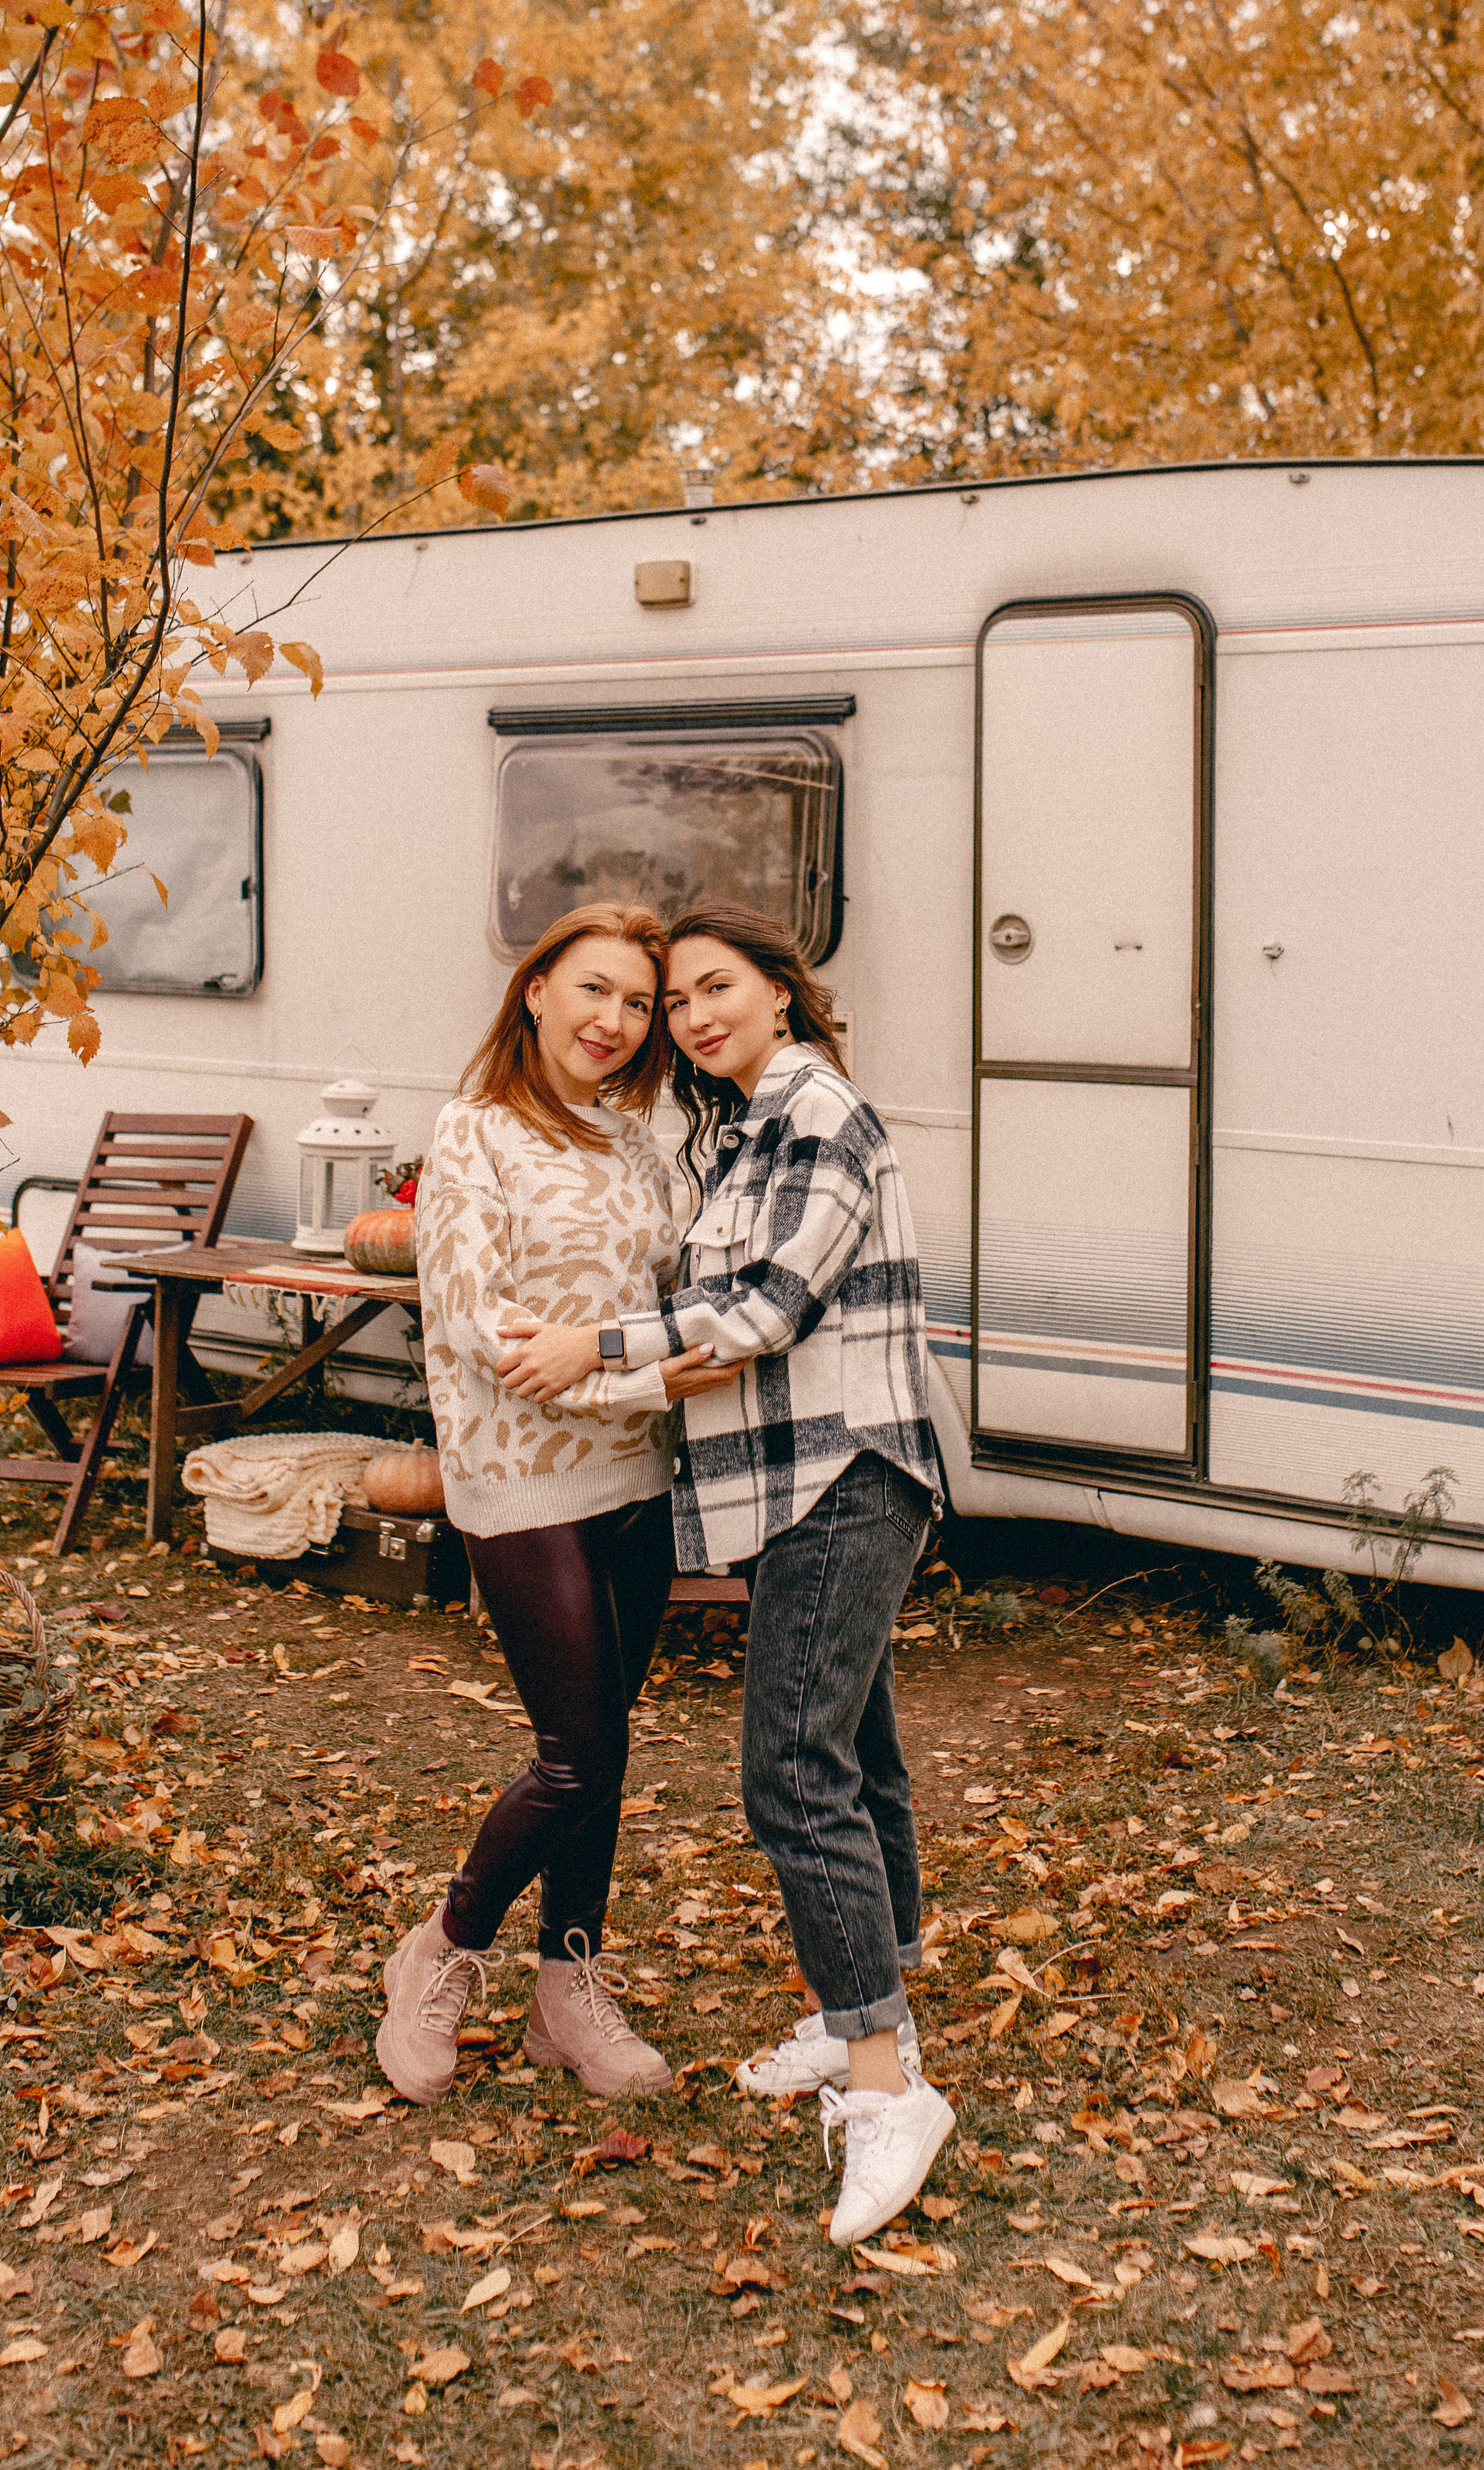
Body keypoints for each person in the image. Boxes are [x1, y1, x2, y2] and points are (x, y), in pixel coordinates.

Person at [498, 901, 955, 2245]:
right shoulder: (752, 1122)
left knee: (792, 1772)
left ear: (781, 990)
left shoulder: (818, 1111)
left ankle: (886, 2092)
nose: (692, 1018)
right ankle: (869, 2012)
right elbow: (744, 1313)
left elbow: (768, 1305)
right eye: (677, 1000)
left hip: (844, 1477)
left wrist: (596, 1345)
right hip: (808, 1479)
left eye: (716, 988)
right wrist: (665, 1352)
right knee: (856, 1753)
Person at [378, 902, 717, 2108]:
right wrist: (644, 1374)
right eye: (593, 990)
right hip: (518, 1471)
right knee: (578, 1758)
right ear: (536, 991)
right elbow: (484, 1324)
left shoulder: (641, 1139)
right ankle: (443, 1949)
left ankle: (568, 1990)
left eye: (639, 1003)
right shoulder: (475, 1130)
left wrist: (667, 1362)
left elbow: (674, 1287)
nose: (614, 1021)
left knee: (604, 1747)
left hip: (636, 1472)